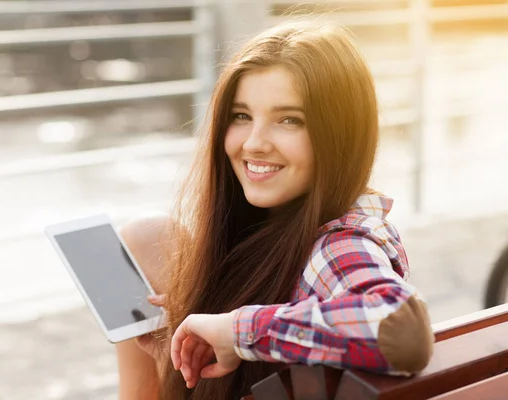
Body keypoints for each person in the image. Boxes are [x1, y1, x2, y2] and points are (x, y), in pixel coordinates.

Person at [115, 18, 434, 400]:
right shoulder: (272, 232)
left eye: (289, 120)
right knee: (142, 240)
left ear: (341, 133)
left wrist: (237, 330)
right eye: (242, 116)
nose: (254, 142)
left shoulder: (339, 244)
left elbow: (403, 328)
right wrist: (184, 355)